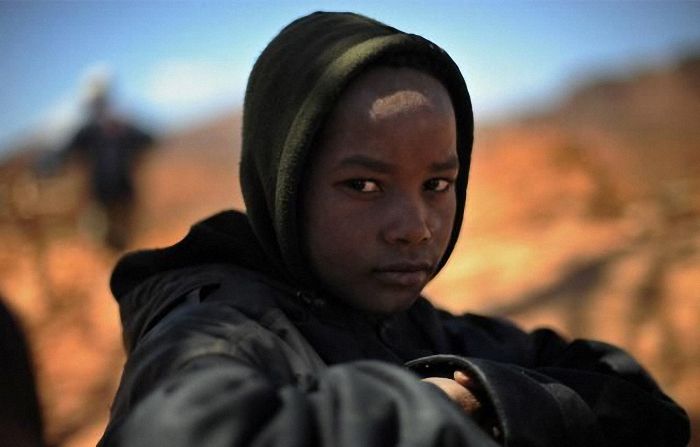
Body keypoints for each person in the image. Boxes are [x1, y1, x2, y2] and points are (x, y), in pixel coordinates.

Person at [98, 12, 690, 446]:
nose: (414, 229)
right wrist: (437, 409)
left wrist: (483, 396)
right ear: (284, 187)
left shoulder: (422, 327)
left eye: (437, 184)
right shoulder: (219, 326)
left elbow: (640, 405)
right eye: (363, 186)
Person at [42, 74, 154, 249]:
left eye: (100, 101)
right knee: (100, 237)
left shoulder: (123, 127)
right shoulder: (88, 132)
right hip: (99, 196)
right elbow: (65, 151)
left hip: (124, 192)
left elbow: (148, 139)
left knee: (126, 237)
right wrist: (48, 164)